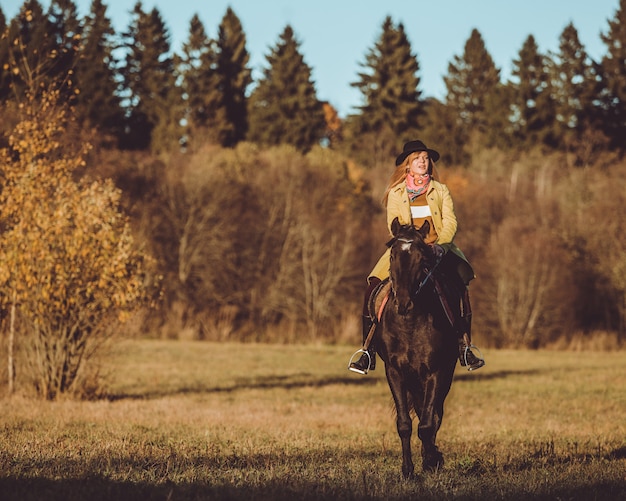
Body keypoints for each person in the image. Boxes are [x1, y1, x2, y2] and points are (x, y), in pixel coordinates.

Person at [349, 140, 485, 374]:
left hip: (439, 249)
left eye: (425, 157)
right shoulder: (396, 193)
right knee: (372, 286)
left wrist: (441, 245)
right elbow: (394, 224)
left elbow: (451, 221)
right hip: (407, 249)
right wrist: (410, 243)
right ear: (408, 165)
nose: (423, 161)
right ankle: (367, 350)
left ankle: (465, 346)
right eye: (417, 158)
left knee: (460, 285)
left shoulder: (441, 190)